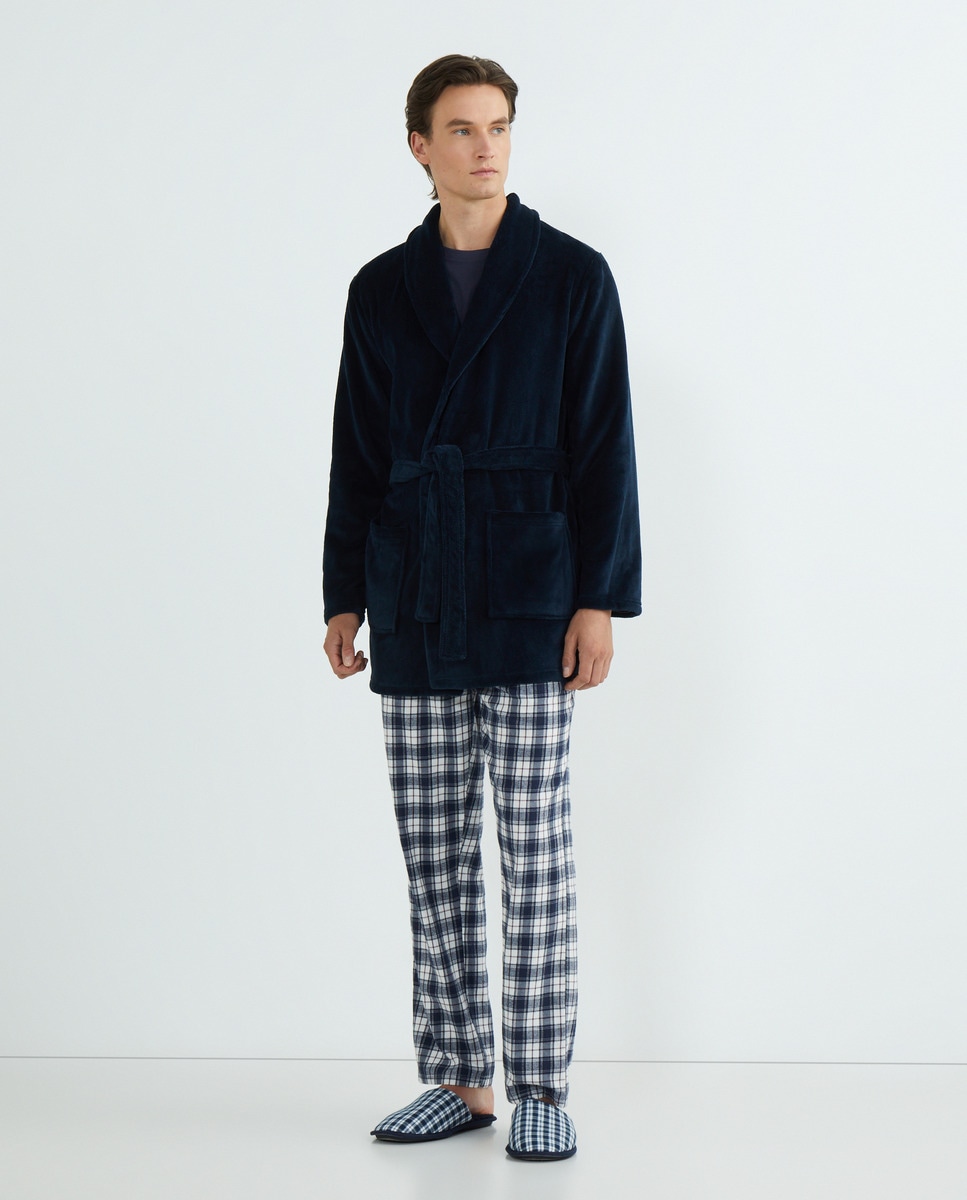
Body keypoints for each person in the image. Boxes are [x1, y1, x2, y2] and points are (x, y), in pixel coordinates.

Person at [322, 53, 640, 1161]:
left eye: (497, 126)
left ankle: (539, 1082)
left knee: (534, 849)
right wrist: (343, 594)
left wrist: (598, 599)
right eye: (460, 129)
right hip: (414, 589)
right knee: (433, 851)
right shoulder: (379, 288)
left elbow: (605, 447)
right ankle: (458, 1078)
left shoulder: (571, 276)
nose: (484, 147)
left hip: (530, 588)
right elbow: (355, 454)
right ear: (419, 146)